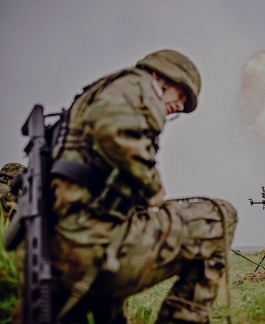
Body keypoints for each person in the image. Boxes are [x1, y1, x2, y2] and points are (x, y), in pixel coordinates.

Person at [13, 50, 237, 323]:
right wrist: (152, 186)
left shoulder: (95, 99)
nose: (180, 105)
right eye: (181, 95)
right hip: (87, 246)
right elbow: (113, 130)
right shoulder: (137, 84)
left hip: (56, 252)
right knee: (218, 217)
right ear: (162, 77)